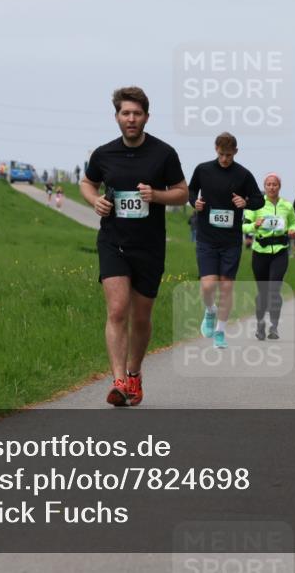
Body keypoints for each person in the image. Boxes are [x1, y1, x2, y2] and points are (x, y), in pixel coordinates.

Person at [80, 86, 188, 406]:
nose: (131, 119)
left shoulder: (163, 154)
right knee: (116, 310)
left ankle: (134, 373)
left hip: (150, 245)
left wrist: (157, 196)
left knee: (141, 317)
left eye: (137, 114)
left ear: (146, 118)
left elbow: (182, 192)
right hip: (113, 240)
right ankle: (118, 381)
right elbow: (88, 182)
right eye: (125, 113)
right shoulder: (103, 154)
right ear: (116, 117)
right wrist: (94, 201)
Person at [189, 132, 264, 350]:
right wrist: (195, 202)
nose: (224, 159)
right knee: (208, 286)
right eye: (222, 154)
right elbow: (191, 190)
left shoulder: (243, 175)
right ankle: (210, 311)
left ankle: (220, 331)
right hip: (207, 238)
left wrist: (246, 201)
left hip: (231, 240)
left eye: (229, 155)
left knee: (227, 287)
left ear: (236, 153)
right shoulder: (203, 170)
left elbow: (258, 200)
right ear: (215, 149)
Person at [243, 173, 295, 340]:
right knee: (263, 292)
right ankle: (260, 324)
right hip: (260, 251)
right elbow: (244, 228)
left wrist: (293, 230)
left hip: (280, 251)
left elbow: (293, 222)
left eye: (275, 184)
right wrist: (254, 224)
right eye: (268, 184)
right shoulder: (256, 205)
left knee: (274, 289)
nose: (272, 187)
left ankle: (274, 326)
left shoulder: (287, 206)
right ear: (264, 186)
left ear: (279, 186)